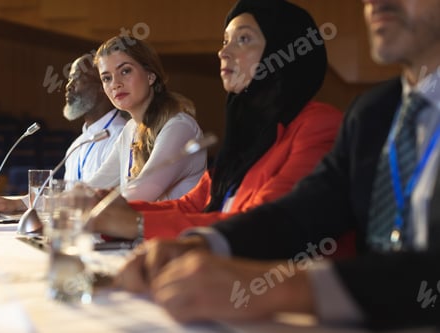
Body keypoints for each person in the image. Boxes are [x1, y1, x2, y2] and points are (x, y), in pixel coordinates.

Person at [114, 0, 440, 329]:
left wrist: (282, 288)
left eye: (243, 40)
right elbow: (301, 213)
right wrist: (202, 243)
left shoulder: (321, 123)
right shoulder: (374, 111)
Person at [88, 0, 342, 241]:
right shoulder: (246, 137)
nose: (223, 51)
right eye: (225, 40)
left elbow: (264, 226)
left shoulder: (319, 125)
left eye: (243, 39)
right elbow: (193, 205)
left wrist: (134, 223)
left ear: (283, 48)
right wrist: (113, 210)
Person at [0, 54, 126, 216]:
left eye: (77, 78)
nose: (68, 86)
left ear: (103, 86)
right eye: (69, 79)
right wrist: (18, 203)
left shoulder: (122, 136)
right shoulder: (78, 143)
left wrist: (22, 204)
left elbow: (93, 198)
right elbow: (68, 198)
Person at [86, 36, 207, 202]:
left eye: (125, 71)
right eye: (107, 78)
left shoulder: (180, 127)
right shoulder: (130, 129)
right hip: (141, 227)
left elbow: (141, 193)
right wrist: (58, 198)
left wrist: (84, 200)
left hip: (176, 228)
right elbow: (94, 185)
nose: (115, 84)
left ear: (150, 76)